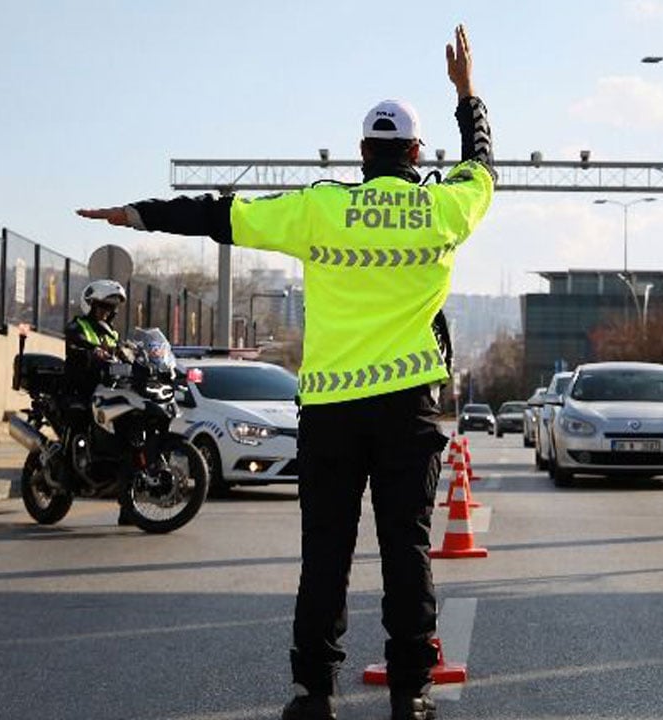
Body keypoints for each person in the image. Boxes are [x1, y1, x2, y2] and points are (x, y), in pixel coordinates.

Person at [76, 24, 493, 720]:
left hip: (331, 412)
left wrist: (138, 213)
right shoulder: (445, 206)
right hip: (407, 411)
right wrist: (467, 93)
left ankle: (313, 695)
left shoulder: (319, 207)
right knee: (407, 550)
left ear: (363, 154)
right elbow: (483, 165)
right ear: (417, 155)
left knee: (325, 556)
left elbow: (219, 215)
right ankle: (410, 692)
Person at [64, 279, 134, 525]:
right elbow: (77, 342)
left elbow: (123, 353)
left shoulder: (112, 332)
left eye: (109, 308)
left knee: (127, 445)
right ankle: (69, 467)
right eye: (101, 306)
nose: (105, 311)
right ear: (90, 305)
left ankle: (128, 507)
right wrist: (93, 351)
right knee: (79, 422)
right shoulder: (78, 326)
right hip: (80, 389)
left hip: (108, 391)